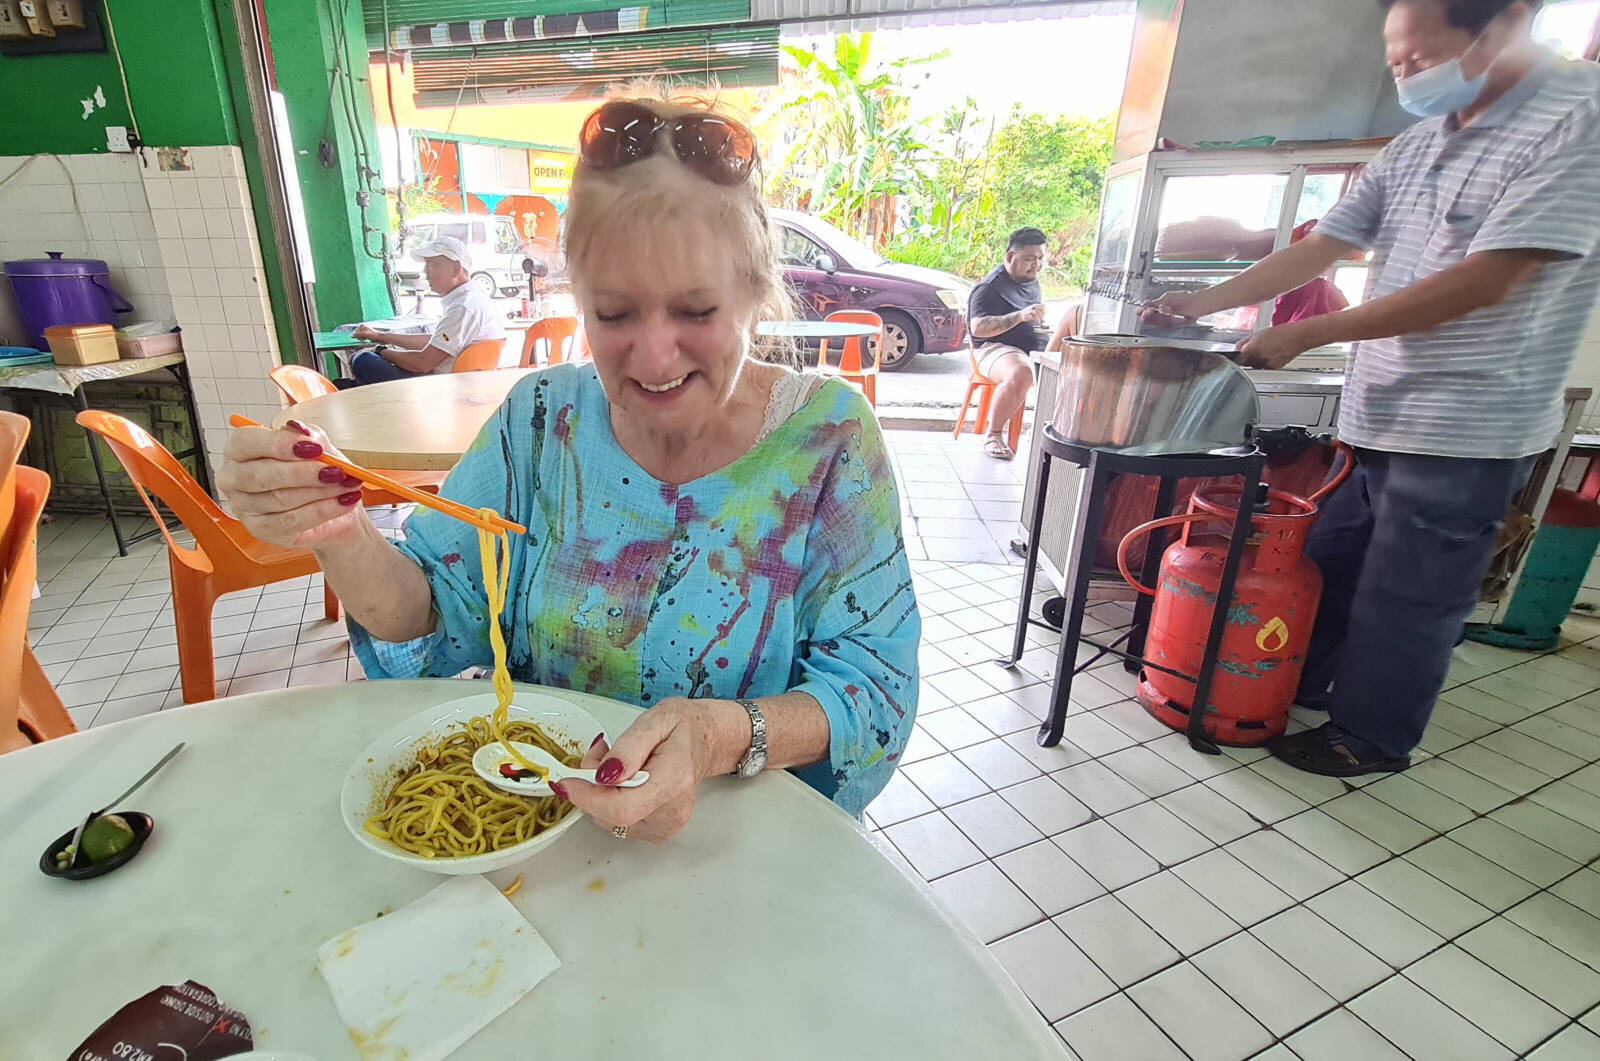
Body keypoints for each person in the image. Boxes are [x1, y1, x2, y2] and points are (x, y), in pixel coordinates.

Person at [217, 98, 921, 839]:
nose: (653, 357)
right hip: (548, 832)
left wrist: (720, 735)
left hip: (743, 848)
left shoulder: (830, 442)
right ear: (578, 303)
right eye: (614, 315)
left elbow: (875, 689)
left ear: (754, 292)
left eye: (696, 311)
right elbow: (427, 609)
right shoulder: (541, 421)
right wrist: (338, 531)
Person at [1142, 0, 1600, 778]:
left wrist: (1308, 333)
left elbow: (1491, 278)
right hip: (1379, 411)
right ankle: (1295, 680)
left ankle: (1373, 734)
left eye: (1420, 60)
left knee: (1409, 591)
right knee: (1323, 559)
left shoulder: (1576, 122)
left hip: (1466, 419)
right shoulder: (1420, 142)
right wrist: (1199, 303)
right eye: (1395, 63)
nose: (1406, 76)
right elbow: (1321, 246)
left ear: (1504, 25)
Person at [340, 237, 505, 385]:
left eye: (432, 264)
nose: (425, 272)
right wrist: (379, 337)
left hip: (443, 390)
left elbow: (423, 362)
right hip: (452, 383)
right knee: (356, 375)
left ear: (455, 269)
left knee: (364, 361)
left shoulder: (464, 307)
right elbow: (434, 342)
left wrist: (380, 351)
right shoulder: (472, 299)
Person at [967, 228, 1051, 460]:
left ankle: (1051, 433)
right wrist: (1020, 316)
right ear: (1010, 257)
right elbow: (979, 328)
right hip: (992, 349)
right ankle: (993, 434)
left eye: (1041, 259)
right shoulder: (990, 288)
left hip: (1029, 349)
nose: (1036, 265)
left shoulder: (1032, 282)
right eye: (1030, 259)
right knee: (1021, 372)